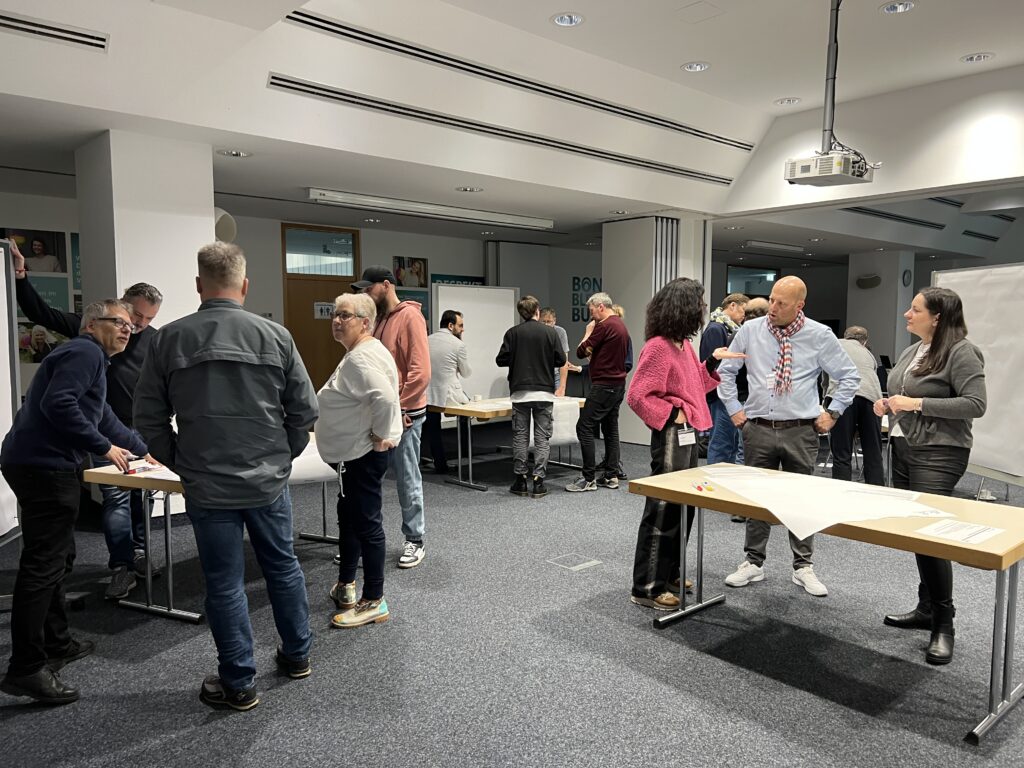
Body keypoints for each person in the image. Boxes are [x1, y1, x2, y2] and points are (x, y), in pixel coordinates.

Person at [134, 242, 318, 711]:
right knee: (283, 567)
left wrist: (180, 461)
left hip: (207, 484)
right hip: (267, 480)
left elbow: (148, 418)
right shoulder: (276, 336)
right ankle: (297, 656)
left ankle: (238, 683)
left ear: (199, 285)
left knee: (224, 582)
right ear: (245, 285)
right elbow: (304, 410)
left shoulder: (168, 339)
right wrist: (282, 455)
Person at [0, 299, 149, 705]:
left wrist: (143, 449)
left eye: (130, 325)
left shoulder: (90, 358)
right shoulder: (85, 351)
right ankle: (26, 668)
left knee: (58, 558)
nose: (127, 329)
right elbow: (59, 405)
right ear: (91, 325)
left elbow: (102, 415)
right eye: (118, 322)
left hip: (36, 463)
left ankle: (57, 642)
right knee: (44, 565)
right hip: (45, 468)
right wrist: (104, 447)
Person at [11, 239, 164, 600]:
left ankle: (139, 555)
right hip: (98, 433)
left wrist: (154, 438)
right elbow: (40, 313)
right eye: (133, 317)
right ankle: (122, 566)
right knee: (116, 500)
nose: (136, 326)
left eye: (147, 320)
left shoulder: (155, 340)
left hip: (131, 429)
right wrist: (20, 277)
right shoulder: (90, 342)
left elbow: (164, 383)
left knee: (143, 500)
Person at [717, 276, 859, 597]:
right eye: (772, 299)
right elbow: (726, 371)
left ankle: (803, 566)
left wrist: (833, 412)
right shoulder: (750, 331)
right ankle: (753, 562)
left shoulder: (819, 335)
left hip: (801, 429)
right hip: (758, 427)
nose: (773, 308)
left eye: (782, 303)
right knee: (757, 499)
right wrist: (734, 408)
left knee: (801, 500)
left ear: (799, 305)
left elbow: (849, 376)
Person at [876, 288, 986, 665]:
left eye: (915, 309)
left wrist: (916, 403)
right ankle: (926, 609)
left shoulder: (962, 351)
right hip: (906, 448)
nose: (907, 314)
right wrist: (889, 403)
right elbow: (903, 393)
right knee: (916, 534)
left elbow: (975, 404)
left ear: (937, 317)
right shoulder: (914, 350)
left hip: (941, 452)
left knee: (930, 536)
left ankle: (944, 622)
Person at [627, 278, 744, 610]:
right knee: (664, 507)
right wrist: (671, 413)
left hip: (688, 433)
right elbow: (637, 396)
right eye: (699, 303)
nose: (703, 309)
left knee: (684, 505)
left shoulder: (682, 345)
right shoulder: (658, 347)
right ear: (684, 308)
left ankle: (670, 573)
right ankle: (646, 586)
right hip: (671, 435)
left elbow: (696, 386)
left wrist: (713, 362)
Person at [316, 293, 402, 628]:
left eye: (345, 315)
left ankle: (374, 600)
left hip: (361, 455)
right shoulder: (362, 351)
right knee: (350, 519)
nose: (337, 321)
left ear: (365, 322)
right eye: (335, 314)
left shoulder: (361, 358)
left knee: (366, 524)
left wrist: (380, 436)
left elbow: (384, 398)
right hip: (352, 456)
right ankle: (346, 585)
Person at [353, 265, 431, 569]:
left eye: (368, 287)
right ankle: (365, 540)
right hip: (379, 413)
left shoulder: (410, 316)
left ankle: (415, 539)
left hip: (405, 414)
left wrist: (401, 408)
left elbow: (420, 371)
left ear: (386, 285)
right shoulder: (378, 320)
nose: (365, 293)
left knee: (406, 478)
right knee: (368, 480)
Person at [495, 295, 567, 498]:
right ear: (537, 311)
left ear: (521, 313)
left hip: (520, 392)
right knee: (542, 438)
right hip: (544, 391)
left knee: (520, 436)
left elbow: (501, 360)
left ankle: (520, 480)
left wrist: (517, 358)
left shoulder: (512, 333)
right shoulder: (550, 333)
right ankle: (538, 481)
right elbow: (561, 359)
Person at [566, 292, 630, 492]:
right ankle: (611, 476)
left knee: (584, 427)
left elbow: (580, 351)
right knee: (610, 429)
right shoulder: (621, 326)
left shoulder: (603, 326)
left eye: (592, 310)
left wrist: (588, 332)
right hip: (618, 385)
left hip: (603, 386)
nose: (591, 314)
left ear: (601, 306)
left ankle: (588, 478)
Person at [827, 326, 884, 485]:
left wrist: (827, 401)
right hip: (871, 398)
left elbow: (826, 374)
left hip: (842, 397)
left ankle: (842, 490)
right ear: (865, 341)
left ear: (845, 336)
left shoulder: (836, 344)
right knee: (873, 452)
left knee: (842, 452)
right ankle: (876, 490)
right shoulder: (868, 353)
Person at [700, 293, 749, 467]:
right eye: (744, 310)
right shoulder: (716, 329)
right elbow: (711, 365)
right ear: (733, 305)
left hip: (728, 395)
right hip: (720, 396)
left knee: (731, 445)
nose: (745, 315)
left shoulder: (729, 328)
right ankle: (715, 480)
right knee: (722, 444)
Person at [424, 310, 472, 474]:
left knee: (433, 428)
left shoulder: (426, 340)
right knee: (466, 416)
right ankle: (465, 454)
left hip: (428, 392)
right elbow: (466, 373)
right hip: (451, 393)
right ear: (451, 326)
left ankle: (440, 464)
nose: (463, 329)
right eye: (460, 325)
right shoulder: (458, 345)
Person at [539, 307, 570, 397]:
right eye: (543, 321)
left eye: (549, 321)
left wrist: (562, 387)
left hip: (555, 374)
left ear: (554, 321)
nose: (546, 324)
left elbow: (564, 360)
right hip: (539, 375)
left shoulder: (560, 332)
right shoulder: (535, 332)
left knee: (558, 401)